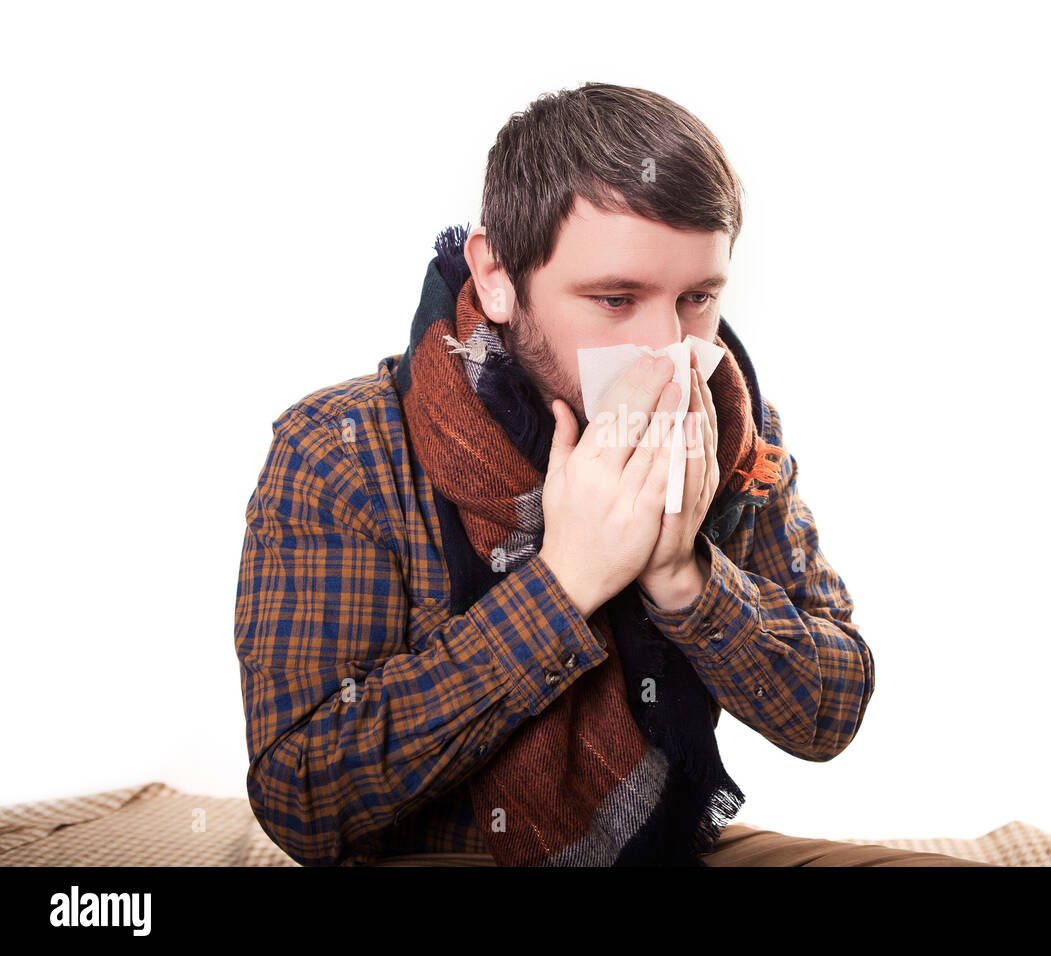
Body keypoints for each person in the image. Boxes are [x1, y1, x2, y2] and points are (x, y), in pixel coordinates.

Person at [234, 82, 992, 868]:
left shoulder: (727, 429)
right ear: (496, 276)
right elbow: (303, 797)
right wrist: (565, 583)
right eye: (616, 298)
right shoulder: (345, 448)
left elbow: (831, 710)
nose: (669, 348)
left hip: (663, 847)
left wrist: (684, 577)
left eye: (697, 298)